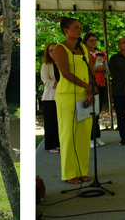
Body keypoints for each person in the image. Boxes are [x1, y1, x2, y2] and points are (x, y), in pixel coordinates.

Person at [51, 17, 94, 185]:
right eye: (76, 27)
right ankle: (69, 172)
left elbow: (90, 68)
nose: (79, 30)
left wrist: (90, 88)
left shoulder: (83, 47)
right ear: (66, 31)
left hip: (85, 94)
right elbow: (66, 73)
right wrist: (87, 87)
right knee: (68, 134)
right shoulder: (60, 48)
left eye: (80, 27)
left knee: (83, 134)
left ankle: (82, 170)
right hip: (67, 96)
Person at [83, 32, 109, 146]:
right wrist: (95, 69)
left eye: (95, 40)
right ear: (85, 41)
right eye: (91, 40)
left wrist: (103, 69)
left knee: (97, 112)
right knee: (90, 112)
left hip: (101, 84)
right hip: (89, 85)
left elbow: (108, 71)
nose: (93, 43)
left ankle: (97, 136)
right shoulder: (82, 54)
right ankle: (89, 138)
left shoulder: (101, 53)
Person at [40, 43, 60, 153]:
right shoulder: (45, 65)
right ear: (48, 53)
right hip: (50, 97)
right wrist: (58, 85)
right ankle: (51, 146)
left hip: (62, 96)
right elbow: (45, 80)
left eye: (55, 50)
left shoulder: (62, 63)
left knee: (60, 122)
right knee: (51, 122)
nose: (52, 52)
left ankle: (60, 143)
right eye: (50, 50)